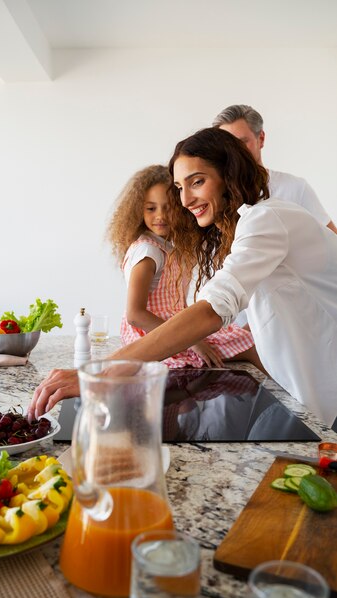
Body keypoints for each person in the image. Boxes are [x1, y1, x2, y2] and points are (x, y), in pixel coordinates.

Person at [29, 128, 337, 428]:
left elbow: (212, 309)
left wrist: (97, 373)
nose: (186, 199)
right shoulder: (248, 226)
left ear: (229, 175)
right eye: (179, 188)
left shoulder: (267, 220)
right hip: (306, 390)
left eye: (197, 182)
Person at [106, 164, 263, 369]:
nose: (160, 216)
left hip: (174, 329)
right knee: (253, 348)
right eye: (151, 208)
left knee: (251, 335)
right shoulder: (147, 252)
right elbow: (135, 315)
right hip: (155, 336)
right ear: (138, 210)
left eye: (168, 207)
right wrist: (193, 341)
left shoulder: (168, 246)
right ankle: (289, 398)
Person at [212, 104, 337, 234]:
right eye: (227, 145)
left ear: (261, 139)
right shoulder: (212, 195)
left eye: (242, 142)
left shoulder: (295, 188)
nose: (234, 152)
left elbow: (333, 242)